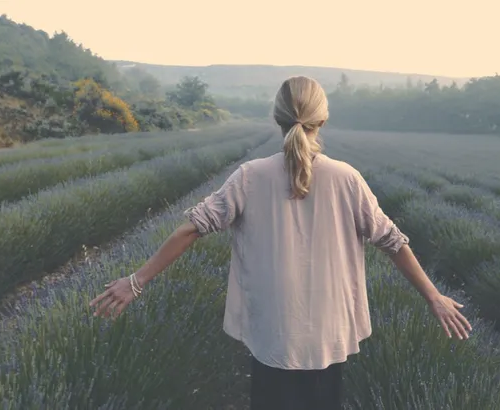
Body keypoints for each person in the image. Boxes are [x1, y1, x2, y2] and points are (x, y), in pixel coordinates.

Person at [89, 76, 472, 410]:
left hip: (272, 334)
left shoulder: (249, 176)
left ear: (277, 118)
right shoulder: (347, 179)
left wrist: (135, 282)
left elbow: (191, 229)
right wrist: (433, 296)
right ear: (322, 119)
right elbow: (393, 242)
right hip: (328, 336)